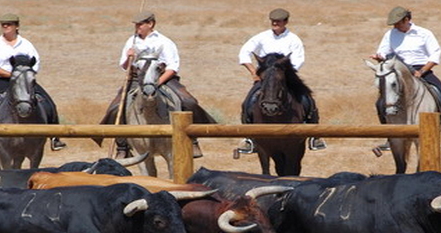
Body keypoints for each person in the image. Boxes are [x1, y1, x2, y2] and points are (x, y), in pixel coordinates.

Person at [97, 11, 216, 158]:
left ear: (150, 24)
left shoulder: (164, 41)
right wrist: (129, 57)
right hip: (136, 79)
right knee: (115, 108)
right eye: (136, 25)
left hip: (163, 78)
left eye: (140, 24)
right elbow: (124, 66)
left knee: (188, 101)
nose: (137, 27)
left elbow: (172, 67)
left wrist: (155, 84)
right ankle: (123, 146)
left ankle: (192, 140)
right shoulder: (132, 41)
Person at [0, 13, 66, 154]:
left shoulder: (27, 44)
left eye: (9, 24)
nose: (5, 27)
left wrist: (23, 76)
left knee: (49, 103)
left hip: (25, 81)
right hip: (1, 80)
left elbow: (36, 63)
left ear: (17, 26)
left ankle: (55, 137)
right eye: (3, 24)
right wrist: (13, 76)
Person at [237, 8, 326, 153]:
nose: (275, 23)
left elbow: (298, 60)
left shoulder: (293, 39)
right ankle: (249, 138)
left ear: (286, 22)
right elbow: (244, 51)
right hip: (265, 79)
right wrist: (254, 72)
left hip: (286, 78)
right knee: (249, 101)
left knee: (307, 99)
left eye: (278, 21)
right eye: (273, 21)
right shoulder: (262, 37)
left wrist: (286, 75)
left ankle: (314, 135)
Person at [370, 6, 441, 148]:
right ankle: (389, 135)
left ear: (407, 19)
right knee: (380, 102)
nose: (395, 26)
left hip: (421, 69)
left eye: (398, 23)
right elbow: (384, 51)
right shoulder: (390, 34)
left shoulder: (424, 33)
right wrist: (379, 56)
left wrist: (421, 71)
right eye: (394, 24)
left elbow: (435, 54)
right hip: (398, 71)